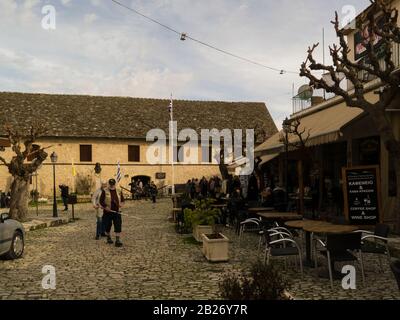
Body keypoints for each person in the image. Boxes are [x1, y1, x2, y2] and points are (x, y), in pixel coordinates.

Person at [100, 179, 125, 247]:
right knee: (108, 225)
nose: (112, 185)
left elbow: (122, 200)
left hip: (117, 212)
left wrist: (121, 205)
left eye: (113, 184)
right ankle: (108, 237)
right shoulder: (104, 191)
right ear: (109, 184)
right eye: (110, 184)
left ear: (115, 184)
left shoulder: (119, 190)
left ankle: (117, 240)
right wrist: (105, 207)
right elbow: (101, 201)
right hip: (108, 212)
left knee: (118, 225)